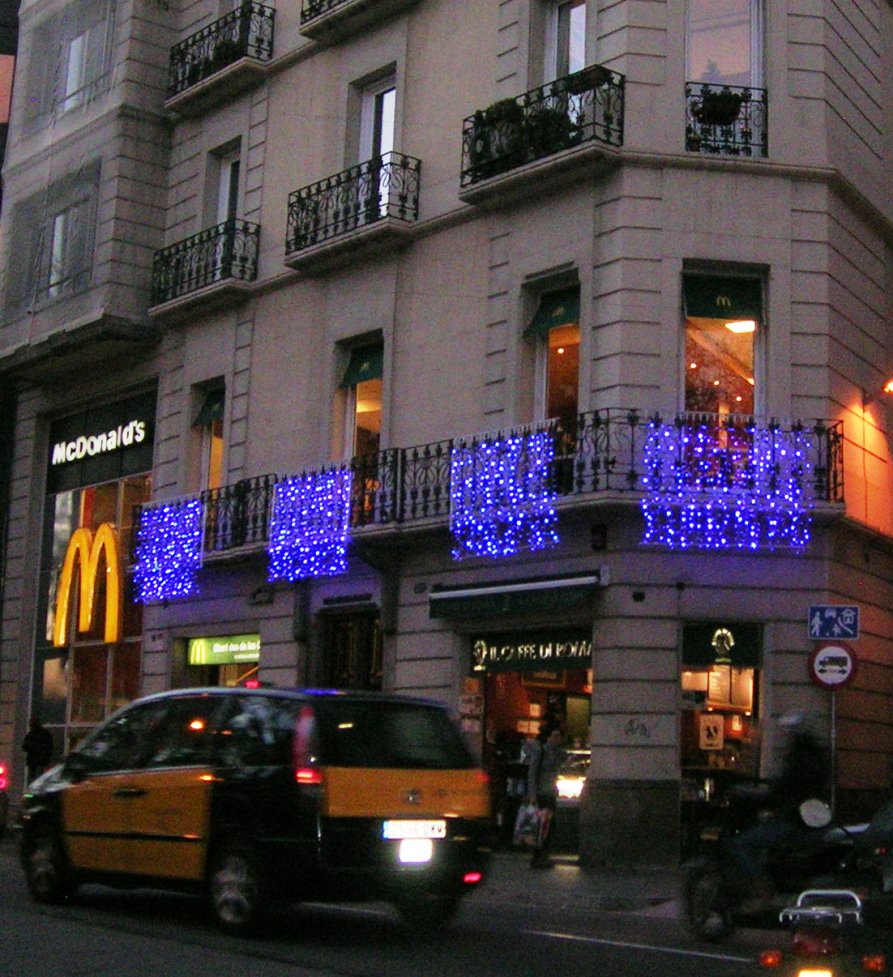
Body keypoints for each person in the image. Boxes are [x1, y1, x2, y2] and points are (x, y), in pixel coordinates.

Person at [726, 712, 830, 908]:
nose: (784, 734)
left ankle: (763, 886)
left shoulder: (799, 756)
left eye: (787, 730)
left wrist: (755, 797)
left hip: (795, 819)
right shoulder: (814, 752)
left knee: (739, 844)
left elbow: (786, 789)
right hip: (811, 817)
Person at [525, 722, 568, 868]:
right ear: (548, 738)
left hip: (550, 793)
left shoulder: (559, 752)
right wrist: (532, 795)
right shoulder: (540, 752)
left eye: (559, 736)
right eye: (555, 736)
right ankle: (537, 856)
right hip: (541, 793)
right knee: (540, 826)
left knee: (550, 826)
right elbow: (532, 773)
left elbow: (565, 759)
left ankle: (544, 855)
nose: (558, 739)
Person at [22, 716, 54, 784]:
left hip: (39, 761)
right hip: (37, 761)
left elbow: (49, 747)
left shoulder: (33, 734)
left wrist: (34, 748)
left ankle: (35, 792)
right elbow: (24, 746)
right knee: (37, 779)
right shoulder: (33, 734)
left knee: (36, 779)